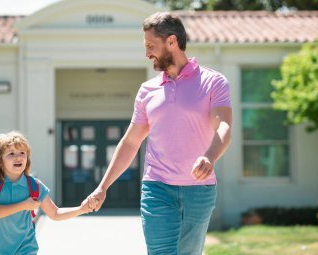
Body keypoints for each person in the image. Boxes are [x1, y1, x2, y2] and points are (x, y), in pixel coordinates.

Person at [89, 12, 232, 255]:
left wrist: (209, 156)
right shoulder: (147, 90)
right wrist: (103, 186)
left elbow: (224, 127)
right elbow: (131, 141)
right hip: (157, 188)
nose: (147, 53)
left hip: (198, 190)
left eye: (150, 46)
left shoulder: (213, 82)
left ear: (172, 42)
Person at [0, 131, 97, 255]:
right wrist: (24, 205)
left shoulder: (34, 185)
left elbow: (55, 213)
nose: (18, 157)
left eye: (22, 153)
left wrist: (81, 209)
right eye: (11, 153)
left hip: (27, 249)